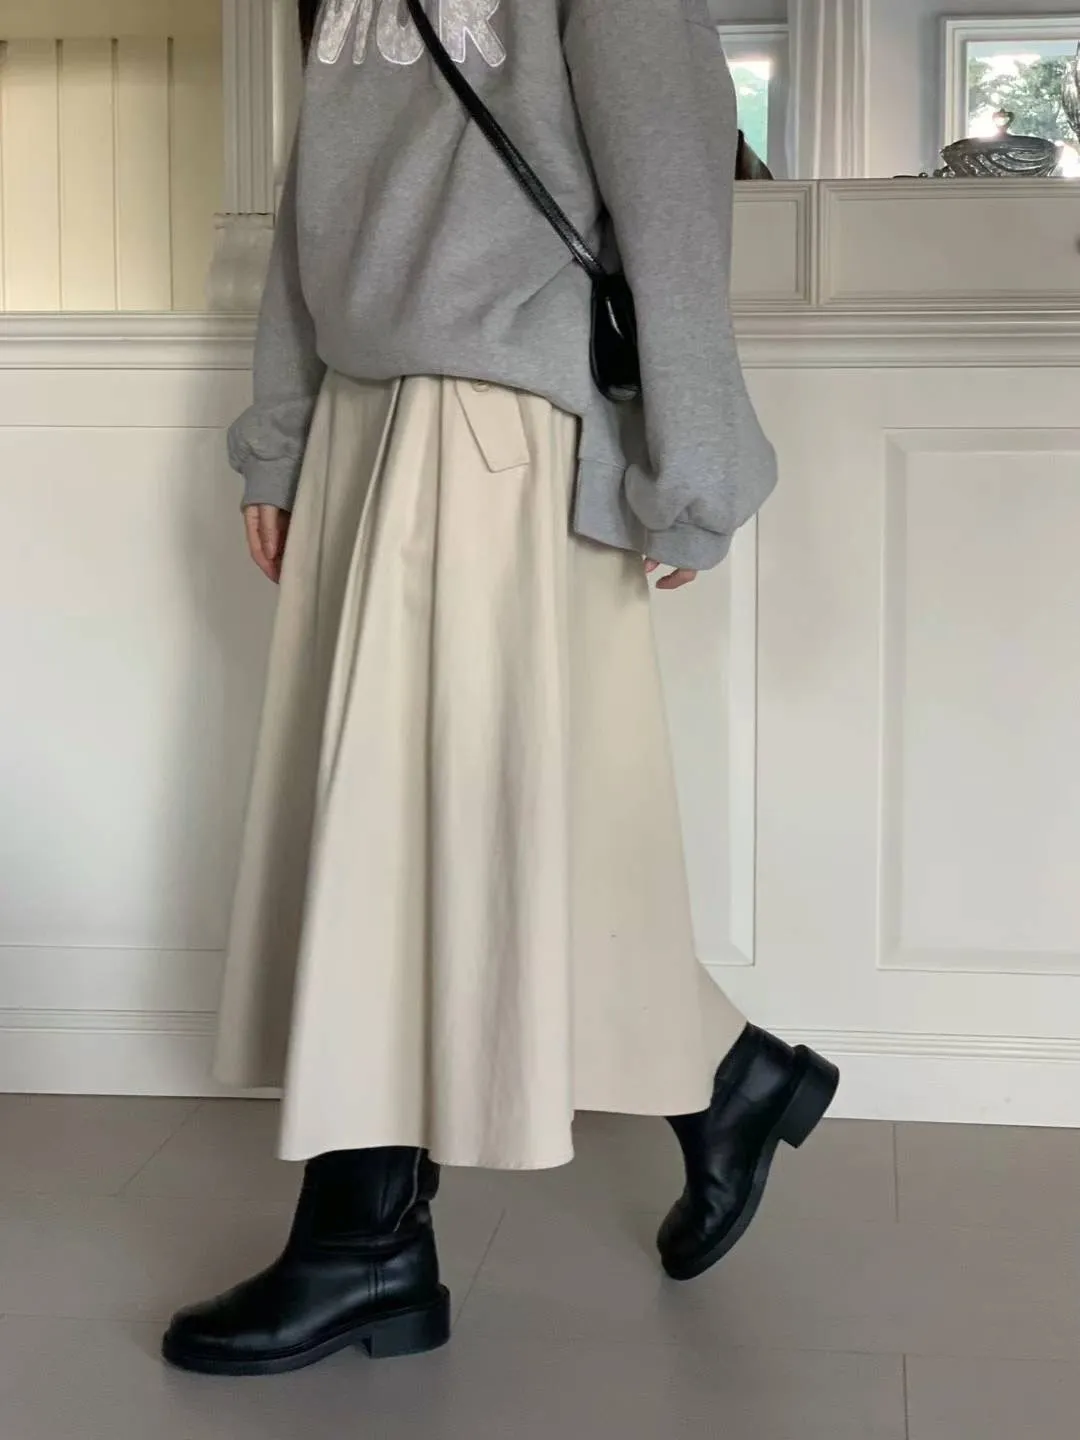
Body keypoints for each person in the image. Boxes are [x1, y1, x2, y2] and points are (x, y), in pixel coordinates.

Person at [163, 0, 838, 1378]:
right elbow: (313, 211)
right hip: (366, 419)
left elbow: (672, 191)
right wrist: (282, 436)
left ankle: (363, 1239)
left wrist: (690, 472)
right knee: (430, 836)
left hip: (498, 423)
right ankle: (721, 1084)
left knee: (415, 839)